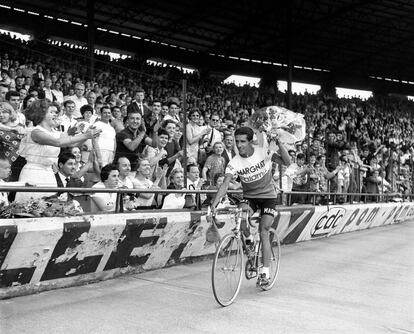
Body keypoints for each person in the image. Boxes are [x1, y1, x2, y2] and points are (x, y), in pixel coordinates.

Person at [211, 126, 290, 287]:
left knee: (264, 230)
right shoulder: (234, 162)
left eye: (242, 141)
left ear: (250, 141)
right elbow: (225, 183)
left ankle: (265, 272)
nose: (239, 145)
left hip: (268, 198)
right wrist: (214, 203)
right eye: (236, 141)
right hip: (250, 198)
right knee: (241, 217)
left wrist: (279, 143)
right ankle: (249, 241)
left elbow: (287, 162)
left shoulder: (263, 151)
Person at [15, 99, 101, 201]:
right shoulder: (35, 132)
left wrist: (87, 136)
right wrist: (85, 135)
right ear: (40, 114)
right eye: (51, 112)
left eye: (56, 112)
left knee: (50, 204)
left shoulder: (55, 132)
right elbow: (58, 142)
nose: (55, 115)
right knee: (31, 205)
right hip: (34, 172)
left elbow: (72, 144)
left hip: (49, 173)